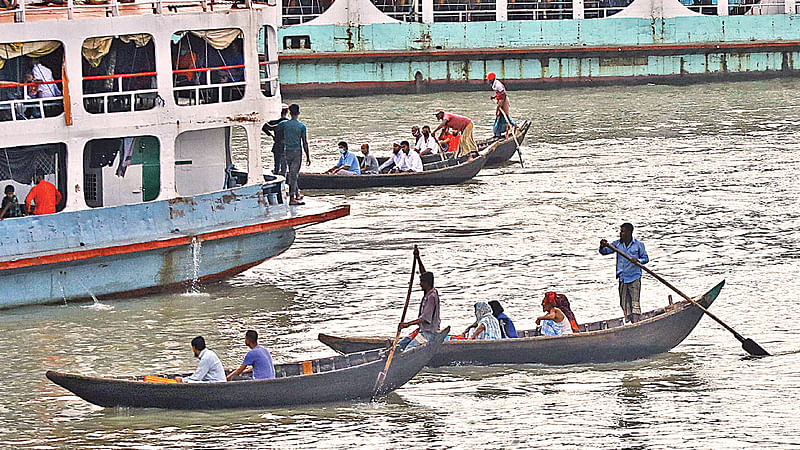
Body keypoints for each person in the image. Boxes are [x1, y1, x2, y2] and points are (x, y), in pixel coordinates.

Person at [599, 222, 649, 323]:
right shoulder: (617, 244)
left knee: (635, 303)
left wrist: (638, 261)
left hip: (634, 277)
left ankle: (636, 322)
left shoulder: (639, 245)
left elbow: (645, 259)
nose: (620, 234)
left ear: (629, 233)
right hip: (622, 278)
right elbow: (605, 252)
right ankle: (630, 322)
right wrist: (602, 246)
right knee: (624, 303)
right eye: (620, 232)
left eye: (623, 232)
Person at [398, 248, 440, 350]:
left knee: (409, 349)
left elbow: (425, 319)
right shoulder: (428, 291)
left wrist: (407, 324)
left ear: (427, 283)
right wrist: (418, 258)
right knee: (400, 344)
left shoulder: (431, 297)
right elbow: (424, 273)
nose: (420, 284)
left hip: (429, 334)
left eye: (422, 282)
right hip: (421, 330)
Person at [277, 103, 311, 205]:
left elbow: (273, 128)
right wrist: (308, 156)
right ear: (298, 113)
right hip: (297, 152)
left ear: (290, 113)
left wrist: (280, 140)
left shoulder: (284, 124)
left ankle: (295, 195)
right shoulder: (301, 126)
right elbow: (304, 143)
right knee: (294, 175)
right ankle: (292, 198)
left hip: (287, 151)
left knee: (291, 173)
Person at [262, 103, 289, 177]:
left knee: (276, 166)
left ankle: (276, 177)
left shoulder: (274, 122)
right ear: (287, 112)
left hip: (277, 145)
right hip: (286, 146)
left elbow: (264, 126)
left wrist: (271, 135)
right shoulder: (288, 122)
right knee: (284, 167)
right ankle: (284, 182)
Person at [487, 72, 514, 137]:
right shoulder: (494, 84)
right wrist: (495, 97)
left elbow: (502, 95)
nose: (489, 81)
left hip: (503, 100)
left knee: (503, 115)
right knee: (498, 116)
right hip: (500, 100)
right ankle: (497, 133)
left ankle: (513, 126)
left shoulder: (498, 85)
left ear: (492, 80)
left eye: (489, 80)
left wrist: (499, 106)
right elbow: (498, 93)